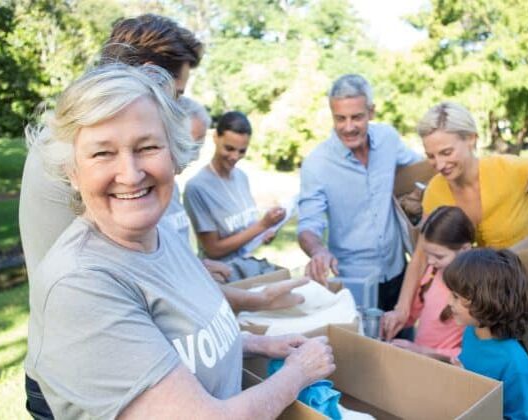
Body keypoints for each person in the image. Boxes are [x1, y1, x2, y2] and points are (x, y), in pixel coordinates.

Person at [24, 64, 335, 418]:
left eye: (147, 147)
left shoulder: (160, 235)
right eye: (102, 153)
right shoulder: (80, 285)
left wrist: (259, 344)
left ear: (173, 155)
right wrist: (299, 373)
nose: (130, 173)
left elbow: (180, 346)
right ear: (72, 172)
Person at [382, 101, 528, 396]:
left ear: (471, 139)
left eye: (446, 152)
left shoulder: (512, 170)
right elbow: (422, 255)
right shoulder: (436, 191)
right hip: (479, 314)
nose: (438, 165)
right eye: (431, 156)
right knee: (479, 391)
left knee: (525, 384)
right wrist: (402, 309)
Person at [19, 14, 203, 281]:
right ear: (152, 74)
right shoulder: (71, 144)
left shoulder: (86, 132)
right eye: (178, 94)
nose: (177, 106)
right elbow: (125, 270)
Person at [297, 74, 422, 312]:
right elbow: (308, 226)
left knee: (404, 344)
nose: (348, 127)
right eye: (340, 118)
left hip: (398, 272)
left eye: (357, 117)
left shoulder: (388, 139)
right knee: (365, 347)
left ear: (371, 112)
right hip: (353, 282)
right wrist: (318, 250)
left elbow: (421, 172)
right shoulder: (317, 163)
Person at [185, 111, 286, 281]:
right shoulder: (197, 187)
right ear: (215, 137)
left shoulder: (241, 177)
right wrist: (262, 226)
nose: (235, 157)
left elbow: (245, 229)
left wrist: (265, 233)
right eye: (229, 148)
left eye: (242, 151)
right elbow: (213, 249)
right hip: (222, 277)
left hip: (248, 269)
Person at [444, 248, 528, 420]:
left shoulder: (516, 366)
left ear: (486, 300)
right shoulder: (471, 332)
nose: (449, 302)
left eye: (456, 297)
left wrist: (471, 397)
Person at [386, 206, 474, 361]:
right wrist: (394, 319)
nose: (431, 261)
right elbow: (411, 315)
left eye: (439, 256)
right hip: (420, 359)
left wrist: (422, 351)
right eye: (427, 255)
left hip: (446, 369)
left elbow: (470, 354)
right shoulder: (433, 273)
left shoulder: (474, 292)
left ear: (465, 249)